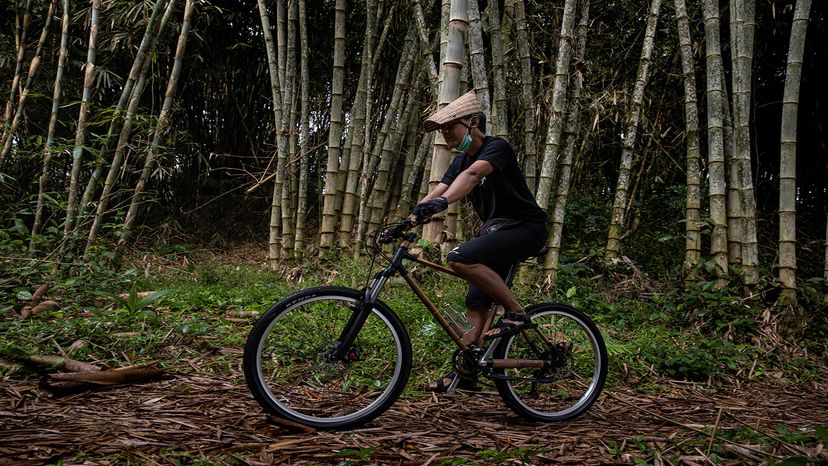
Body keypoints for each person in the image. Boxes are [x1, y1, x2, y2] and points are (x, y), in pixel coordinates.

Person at [410, 90, 548, 392]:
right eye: (442, 128)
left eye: (450, 126)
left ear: (473, 122)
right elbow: (438, 190)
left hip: (526, 227)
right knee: (475, 304)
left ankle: (516, 313)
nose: (445, 133)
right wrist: (411, 217)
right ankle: (466, 375)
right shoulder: (459, 161)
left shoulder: (497, 148)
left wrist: (443, 202)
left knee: (459, 257)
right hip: (495, 232)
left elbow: (473, 175)